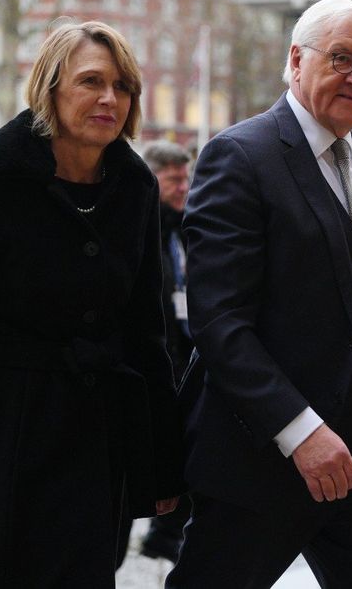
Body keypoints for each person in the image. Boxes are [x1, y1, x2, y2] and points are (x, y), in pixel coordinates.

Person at [0, 20, 184, 587]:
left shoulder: (136, 189)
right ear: (50, 88)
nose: (108, 98)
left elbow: (148, 334)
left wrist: (160, 467)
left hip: (99, 439)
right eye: (90, 81)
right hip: (4, 433)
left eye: (122, 87)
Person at [167, 0, 352, 588]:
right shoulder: (239, 157)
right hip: (261, 465)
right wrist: (300, 432)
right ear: (297, 59)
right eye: (342, 58)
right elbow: (219, 322)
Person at [138, 140, 194, 562]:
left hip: (182, 365)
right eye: (173, 178)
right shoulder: (141, 230)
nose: (183, 186)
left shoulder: (183, 229)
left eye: (185, 177)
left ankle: (164, 532)